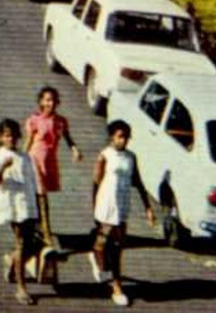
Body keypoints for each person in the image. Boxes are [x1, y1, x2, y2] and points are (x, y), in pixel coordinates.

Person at [90, 119, 154, 307]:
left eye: (125, 137)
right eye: (119, 137)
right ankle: (97, 257)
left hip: (122, 206)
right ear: (112, 137)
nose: (122, 141)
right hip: (106, 205)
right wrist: (94, 208)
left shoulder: (131, 157)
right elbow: (96, 182)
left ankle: (116, 285)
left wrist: (148, 207)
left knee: (117, 247)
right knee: (102, 244)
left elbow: (139, 183)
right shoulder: (105, 155)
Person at [0, 117, 39, 306]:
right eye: (7, 136)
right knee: (22, 243)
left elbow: (31, 182)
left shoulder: (25, 157)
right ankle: (21, 287)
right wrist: (2, 168)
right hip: (11, 205)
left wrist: (37, 206)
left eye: (14, 136)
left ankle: (11, 260)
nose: (11, 140)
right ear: (1, 137)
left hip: (27, 204)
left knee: (31, 244)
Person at [25, 85, 82, 255]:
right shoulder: (34, 120)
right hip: (35, 160)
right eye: (47, 100)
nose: (51, 103)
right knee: (41, 197)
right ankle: (47, 233)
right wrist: (21, 159)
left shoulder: (60, 121)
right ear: (41, 102)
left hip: (49, 162)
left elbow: (67, 138)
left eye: (53, 100)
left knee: (39, 195)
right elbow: (28, 143)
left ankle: (36, 228)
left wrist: (74, 149)